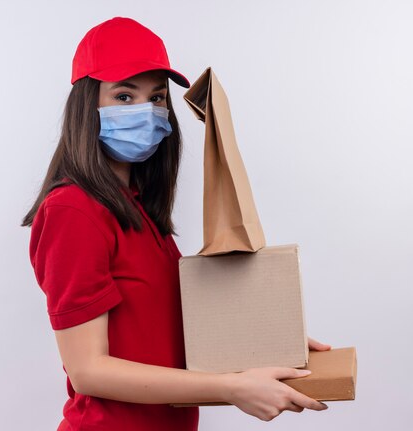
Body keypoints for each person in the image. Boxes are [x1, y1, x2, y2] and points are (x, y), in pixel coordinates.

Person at [22, 16, 330, 430]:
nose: (147, 111)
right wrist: (230, 387)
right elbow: (88, 370)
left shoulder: (140, 211)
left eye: (157, 97)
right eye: (124, 96)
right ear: (87, 107)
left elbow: (160, 333)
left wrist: (266, 341)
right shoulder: (72, 211)